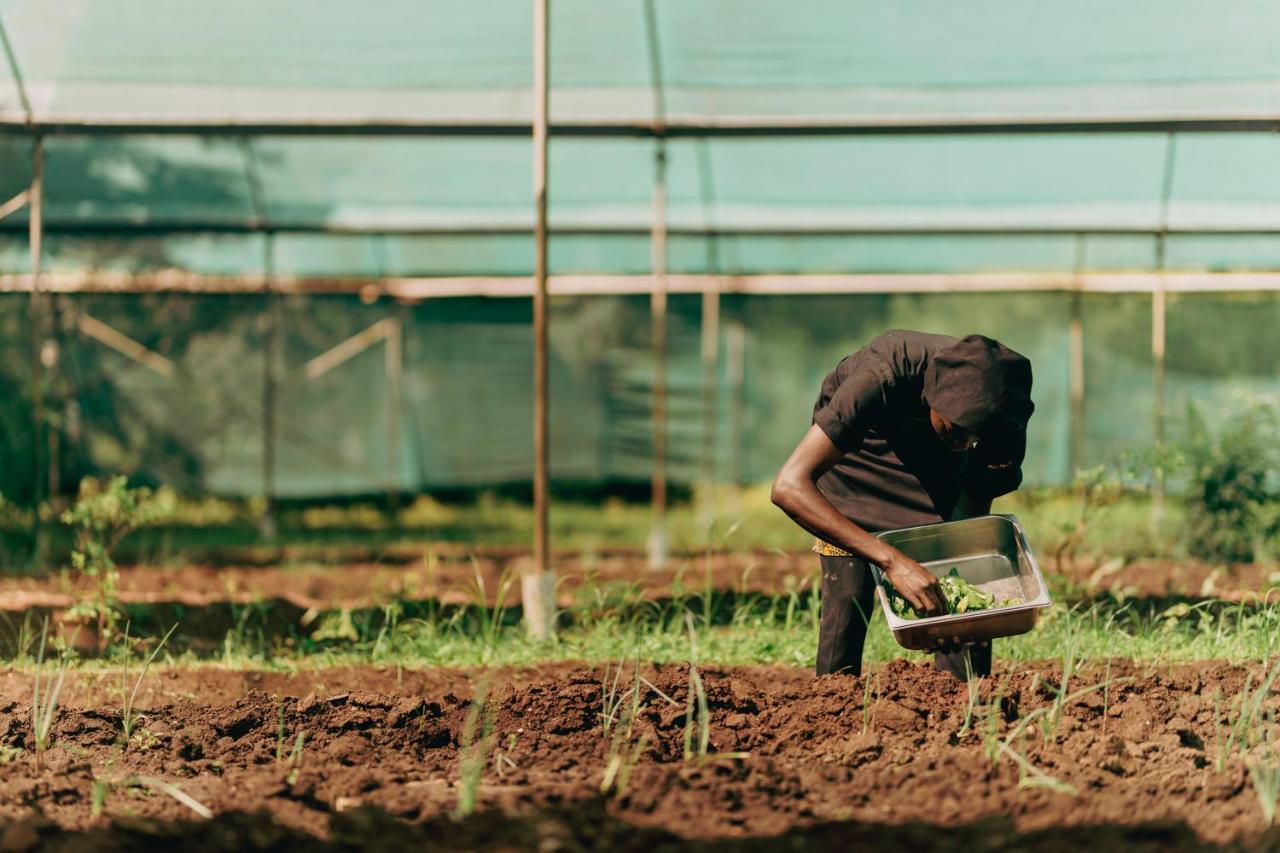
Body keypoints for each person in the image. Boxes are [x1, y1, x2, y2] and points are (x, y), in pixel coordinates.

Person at [770, 330, 1034, 680]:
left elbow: (974, 497)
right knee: (849, 595)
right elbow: (789, 486)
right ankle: (832, 704)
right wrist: (893, 561)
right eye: (956, 429)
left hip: (940, 472)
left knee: (960, 612)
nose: (965, 441)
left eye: (974, 437)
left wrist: (953, 580)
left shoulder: (1003, 413)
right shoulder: (882, 374)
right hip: (857, 461)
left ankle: (967, 708)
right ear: (933, 395)